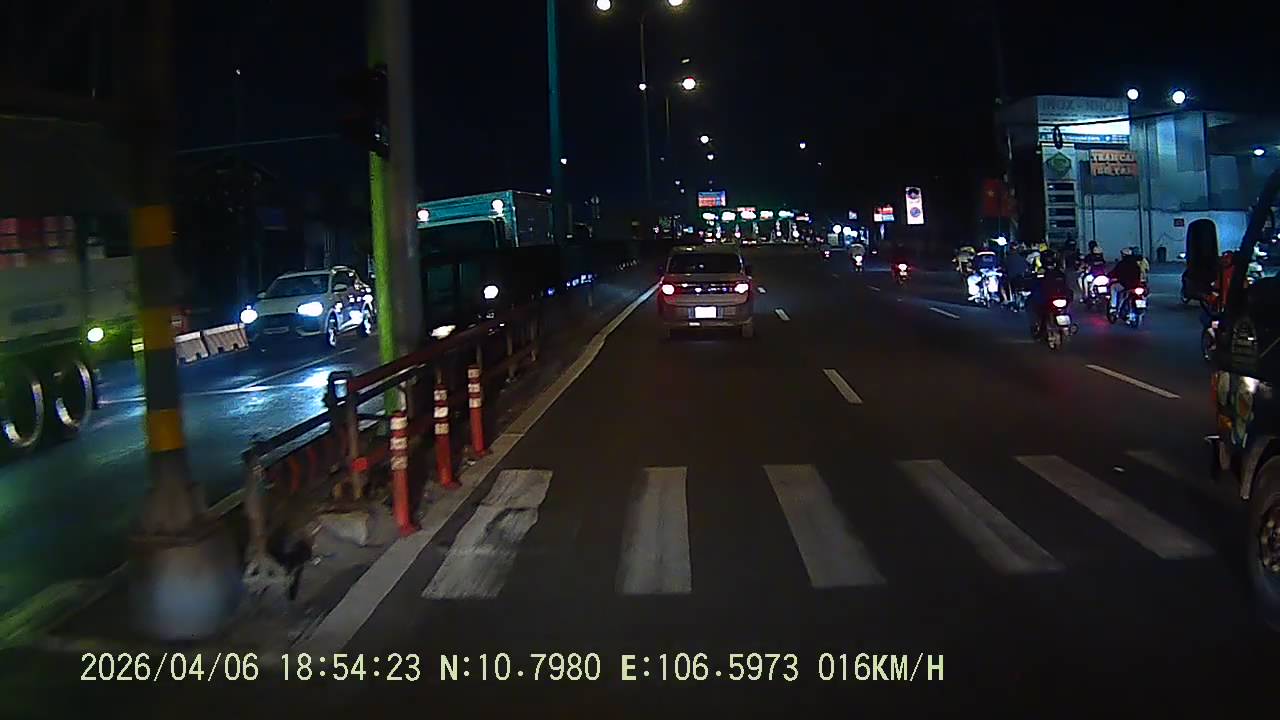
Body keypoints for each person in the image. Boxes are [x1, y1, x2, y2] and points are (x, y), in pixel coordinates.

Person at [1027, 249, 1072, 336]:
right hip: (1052, 299)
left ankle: (1036, 326)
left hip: (1051, 299)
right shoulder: (1058, 272)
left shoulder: (1047, 273)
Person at [1107, 247, 1143, 313]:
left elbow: (1114, 272)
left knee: (1113, 287)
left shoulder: (1121, 264)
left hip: (1124, 284)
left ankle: (1113, 307)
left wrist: (1109, 276)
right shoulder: (1136, 264)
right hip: (1136, 285)